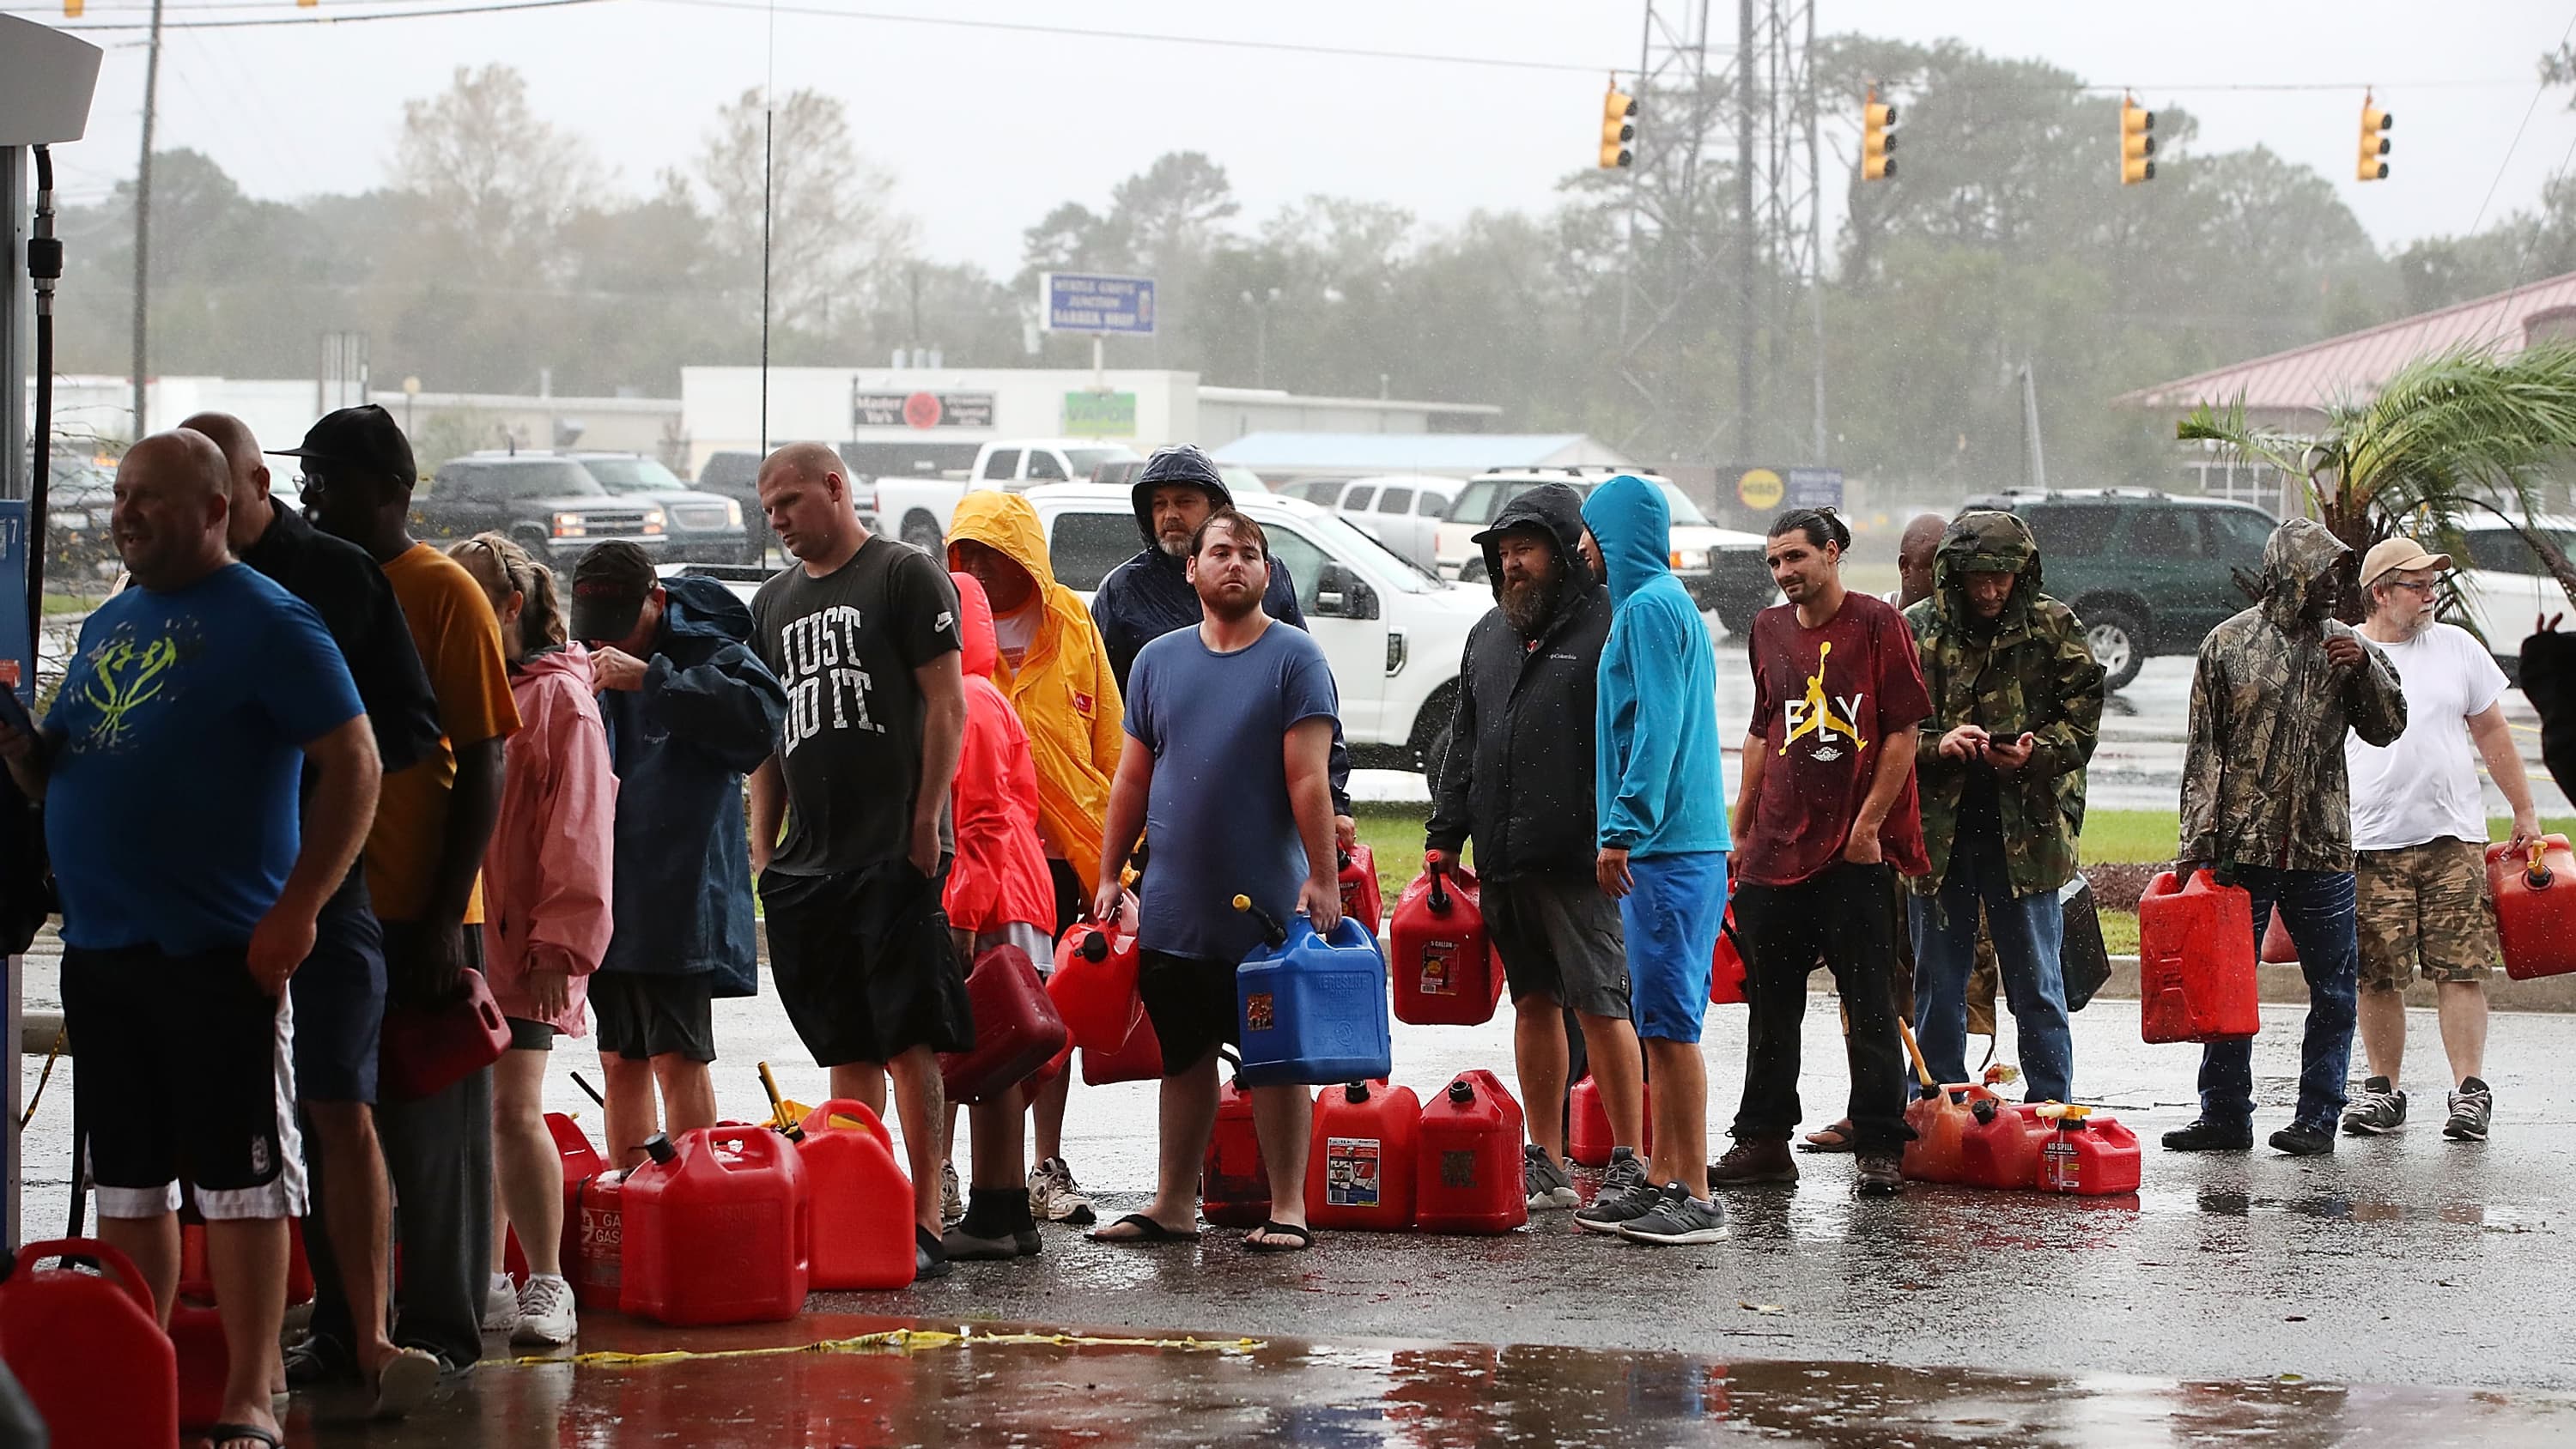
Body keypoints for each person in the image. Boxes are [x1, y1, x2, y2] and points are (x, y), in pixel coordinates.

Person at [0, 431, 382, 1449]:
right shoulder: (111, 622)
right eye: (122, 496)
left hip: (224, 951)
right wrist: (28, 758)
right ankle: (145, 1368)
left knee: (243, 1183)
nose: (126, 513)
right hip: (106, 949)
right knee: (128, 1180)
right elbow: (72, 768)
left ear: (215, 508)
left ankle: (251, 1395)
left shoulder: (271, 619)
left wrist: (299, 907)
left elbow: (357, 761)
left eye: (151, 500)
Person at [179, 411, 446, 1416]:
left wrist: (308, 773)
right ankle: (244, 1333)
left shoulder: (332, 576)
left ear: (253, 484)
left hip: (321, 885)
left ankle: (367, 1329)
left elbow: (409, 739)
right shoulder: (166, 587)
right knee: (212, 1119)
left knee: (340, 1104)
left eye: (214, 491)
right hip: (203, 896)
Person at [295, 403, 519, 1373]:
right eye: (305, 475)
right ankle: (351, 1326)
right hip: (321, 907)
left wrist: (442, 913)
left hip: (419, 916)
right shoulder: (304, 586)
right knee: (334, 1130)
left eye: (331, 476)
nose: (313, 494)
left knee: (433, 1147)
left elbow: (487, 759)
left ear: (394, 489)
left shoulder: (441, 592)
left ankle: (441, 1333)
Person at [1086, 508, 1345, 1255]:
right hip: (1175, 904)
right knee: (1184, 1056)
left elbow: (1308, 779)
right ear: (1192, 570)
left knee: (1273, 1062)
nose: (1236, 564)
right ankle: (1173, 1203)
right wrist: (1109, 873)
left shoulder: (1297, 657)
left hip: (1265, 908)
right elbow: (1133, 777)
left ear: (1268, 574)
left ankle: (1289, 1205)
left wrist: (1321, 879)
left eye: (1251, 555)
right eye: (1221, 552)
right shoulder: (1157, 662)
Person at [746, 442, 972, 1282]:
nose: (779, 520)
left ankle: (923, 1218)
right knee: (845, 1041)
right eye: (769, 508)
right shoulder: (769, 603)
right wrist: (763, 845)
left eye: (791, 501)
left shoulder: (903, 575)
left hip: (894, 845)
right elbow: (766, 731)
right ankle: (860, 1205)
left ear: (836, 489)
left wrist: (927, 816)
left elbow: (947, 703)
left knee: (909, 1035)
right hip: (811, 861)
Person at [1425, 484, 1648, 1216]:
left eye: (1526, 548)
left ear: (1564, 551)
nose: (1511, 563)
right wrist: (1443, 835)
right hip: (1505, 856)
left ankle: (1629, 1160)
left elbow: (1638, 735)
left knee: (1602, 1005)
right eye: (1502, 552)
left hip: (1585, 859)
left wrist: (1623, 830)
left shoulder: (1611, 624)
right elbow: (1464, 740)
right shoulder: (1488, 634)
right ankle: (1546, 1160)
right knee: (1533, 1002)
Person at [2166, 518, 2406, 1157]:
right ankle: (2223, 1116)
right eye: (2325, 572)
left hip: (2320, 848)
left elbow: (2387, 728)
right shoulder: (2227, 645)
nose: (2335, 586)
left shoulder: (2346, 645)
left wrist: (2367, 673)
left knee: (2332, 987)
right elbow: (2203, 752)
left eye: (2339, 574)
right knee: (2227, 987)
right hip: (2242, 850)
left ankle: (2317, 1119)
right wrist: (2196, 843)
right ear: (2289, 572)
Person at [1719, 507, 1934, 1197]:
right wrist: (1742, 829)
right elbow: (1761, 731)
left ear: (1833, 553)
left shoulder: (1878, 624)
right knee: (1771, 1005)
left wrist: (1870, 826)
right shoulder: (1766, 629)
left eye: (1796, 559)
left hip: (1852, 855)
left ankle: (1877, 1143)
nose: (1784, 574)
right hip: (1775, 851)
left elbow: (1901, 733)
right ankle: (1763, 1142)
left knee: (1870, 1002)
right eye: (1775, 562)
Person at [1550, 476, 1732, 1246]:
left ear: (1619, 534)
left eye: (1591, 531)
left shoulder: (1652, 608)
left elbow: (1656, 729)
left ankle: (1694, 1192)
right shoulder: (1652, 606)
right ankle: (1661, 1176)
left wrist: (1623, 828)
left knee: (1671, 1024)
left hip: (1668, 847)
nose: (1582, 546)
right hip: (1670, 844)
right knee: (1659, 1021)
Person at [569, 542, 787, 1167]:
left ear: (657, 600)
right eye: (596, 634)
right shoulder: (584, 653)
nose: (608, 644)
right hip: (604, 885)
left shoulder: (708, 646)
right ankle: (636, 1204)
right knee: (618, 1057)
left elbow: (762, 722)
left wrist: (653, 679)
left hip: (678, 887)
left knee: (676, 1055)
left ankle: (693, 1202)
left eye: (623, 628)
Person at [449, 535, 616, 1348]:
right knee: (475, 1111)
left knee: (515, 1110)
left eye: (474, 592)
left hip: (522, 944)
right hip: (462, 932)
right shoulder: (466, 686)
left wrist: (562, 948)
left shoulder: (558, 701)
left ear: (514, 605)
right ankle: (485, 1279)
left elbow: (579, 829)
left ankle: (547, 1281)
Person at [945, 488, 1123, 1224]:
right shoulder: (945, 628)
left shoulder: (1073, 623)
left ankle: (1045, 1166)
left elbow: (1110, 740)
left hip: (1060, 862)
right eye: (968, 554)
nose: (981, 568)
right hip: (968, 857)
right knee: (962, 1019)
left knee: (1053, 1020)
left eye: (994, 551)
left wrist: (1119, 855)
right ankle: (951, 1169)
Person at [1902, 511, 2104, 1106]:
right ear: (1953, 575)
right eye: (1977, 579)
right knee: (1938, 983)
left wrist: (2035, 752)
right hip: (1940, 838)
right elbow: (1882, 732)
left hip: (2029, 836)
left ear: (2023, 574)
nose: (1990, 591)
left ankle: (2049, 1104)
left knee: (2037, 982)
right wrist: (1936, 745)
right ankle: (1933, 1105)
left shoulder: (2053, 626)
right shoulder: (1917, 631)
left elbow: (2083, 721)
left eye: (2003, 578)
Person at [2340, 537, 2537, 1143]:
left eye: (2433, 586)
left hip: (2453, 839)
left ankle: (2470, 1092)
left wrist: (2524, 812)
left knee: (2460, 969)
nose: (2431, 597)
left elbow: (2494, 734)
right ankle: (2382, 1091)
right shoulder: (2346, 651)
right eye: (2418, 586)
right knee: (2377, 974)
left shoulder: (2457, 649)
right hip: (2371, 839)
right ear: (2381, 592)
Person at [1087, 444, 1354, 832]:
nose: (1170, 515)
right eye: (1159, 505)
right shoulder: (1123, 590)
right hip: (1164, 801)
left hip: (1261, 798)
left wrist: (1334, 800)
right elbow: (1102, 706)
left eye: (1184, 501)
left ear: (1216, 508)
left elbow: (1311, 698)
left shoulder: (1264, 575)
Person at [936, 570, 1061, 1261]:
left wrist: (962, 912)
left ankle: (998, 1212)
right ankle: (1004, 1212)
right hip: (1008, 893)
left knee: (992, 1062)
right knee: (997, 1068)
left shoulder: (971, 700)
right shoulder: (983, 694)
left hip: (994, 899)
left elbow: (980, 818)